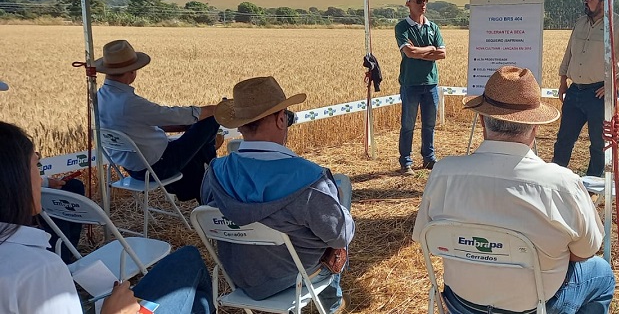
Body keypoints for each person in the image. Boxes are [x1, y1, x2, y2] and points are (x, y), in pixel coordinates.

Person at [413, 66, 616, 314]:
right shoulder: (563, 184)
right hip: (536, 306)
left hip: (461, 303)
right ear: (535, 127)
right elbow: (585, 252)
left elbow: (427, 239)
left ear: (482, 122)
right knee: (602, 273)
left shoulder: (443, 173)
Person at [0, 121, 214, 314]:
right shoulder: (38, 269)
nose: (41, 178)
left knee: (197, 298)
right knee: (189, 259)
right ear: (15, 180)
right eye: (36, 167)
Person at [201, 76, 354, 313]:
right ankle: (332, 304)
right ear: (281, 119)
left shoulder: (215, 172)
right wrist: (338, 201)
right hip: (295, 276)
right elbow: (340, 236)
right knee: (341, 194)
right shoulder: (311, 180)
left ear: (240, 125)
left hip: (239, 276)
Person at [96, 39, 221, 202]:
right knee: (210, 121)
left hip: (133, 168)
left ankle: (197, 187)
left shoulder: (99, 96)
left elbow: (140, 124)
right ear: (132, 71)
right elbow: (172, 114)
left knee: (195, 154)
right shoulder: (129, 102)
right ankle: (214, 172)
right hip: (157, 167)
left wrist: (187, 125)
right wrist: (215, 109)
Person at [553, 0, 619, 177]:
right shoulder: (580, 23)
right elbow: (569, 53)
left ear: (604, 1)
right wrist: (563, 81)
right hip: (574, 91)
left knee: (598, 143)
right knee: (563, 139)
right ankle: (555, 178)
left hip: (599, 94)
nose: (585, 1)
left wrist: (615, 84)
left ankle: (593, 186)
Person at [395, 0, 446, 175]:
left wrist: (420, 51)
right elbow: (408, 52)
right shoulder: (402, 27)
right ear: (408, 3)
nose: (423, 4)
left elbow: (442, 54)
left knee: (429, 124)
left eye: (424, 1)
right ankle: (406, 161)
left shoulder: (433, 27)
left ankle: (429, 158)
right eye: (418, 1)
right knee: (408, 124)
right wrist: (430, 49)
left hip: (431, 83)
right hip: (410, 83)